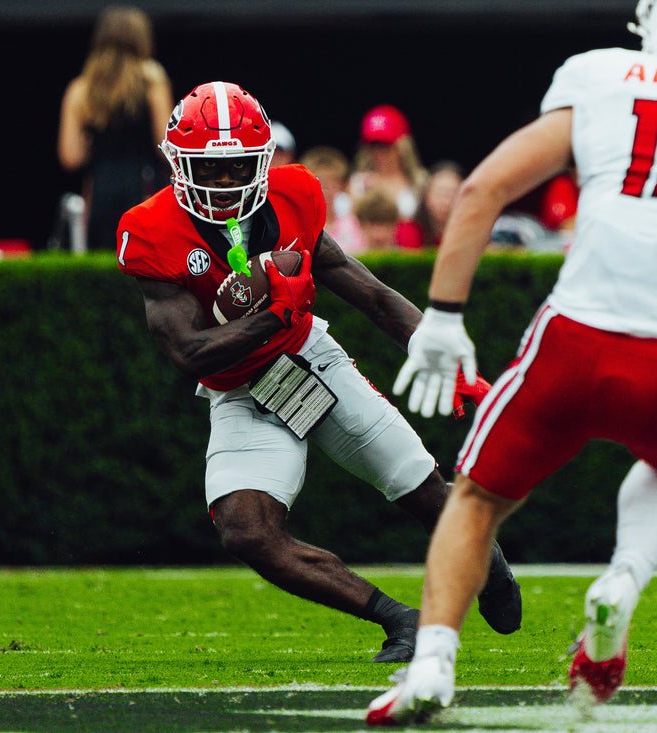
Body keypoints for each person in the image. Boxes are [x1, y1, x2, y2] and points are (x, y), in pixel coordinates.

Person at [366, 0, 657, 723]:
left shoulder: (605, 76)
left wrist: (444, 316)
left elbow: (481, 190)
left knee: (477, 499)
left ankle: (434, 662)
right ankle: (623, 586)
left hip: (576, 336)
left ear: (654, 21)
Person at [115, 81, 521, 664]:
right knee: (246, 531)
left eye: (237, 166)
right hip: (240, 388)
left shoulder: (291, 199)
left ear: (260, 161)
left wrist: (439, 354)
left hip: (311, 362)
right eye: (213, 168)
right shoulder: (151, 229)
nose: (227, 181)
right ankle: (398, 619)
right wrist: (272, 314)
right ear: (180, 166)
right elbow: (189, 353)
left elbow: (373, 296)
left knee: (416, 485)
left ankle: (490, 558)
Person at [58, 5, 172, 251]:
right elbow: (166, 145)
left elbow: (70, 156)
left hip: (100, 193)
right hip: (145, 191)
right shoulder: (152, 78)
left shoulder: (80, 88)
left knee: (105, 271)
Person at [349, 104, 427, 225]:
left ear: (402, 147)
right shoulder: (358, 184)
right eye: (373, 147)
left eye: (386, 146)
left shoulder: (419, 182)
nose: (378, 153)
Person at [299, 145, 365, 254]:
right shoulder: (301, 226)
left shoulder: (351, 223)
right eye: (322, 185)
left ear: (340, 186)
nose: (327, 192)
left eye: (332, 185)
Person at [413, 161, 463, 249]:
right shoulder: (409, 231)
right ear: (426, 195)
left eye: (451, 194)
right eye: (440, 193)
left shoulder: (472, 231)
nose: (445, 201)